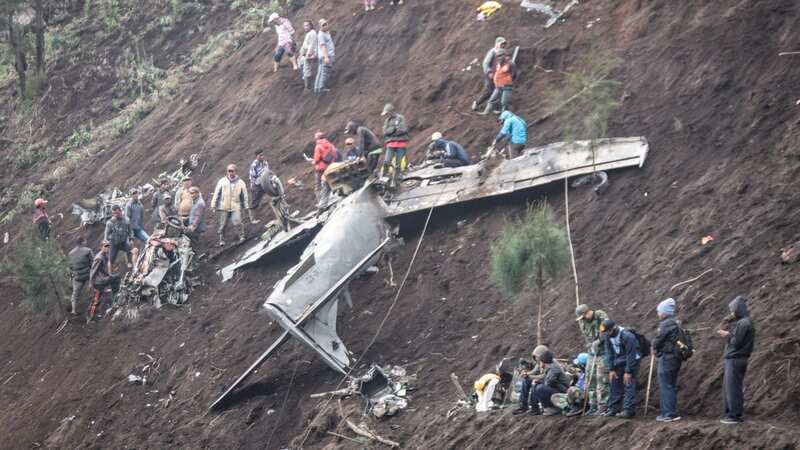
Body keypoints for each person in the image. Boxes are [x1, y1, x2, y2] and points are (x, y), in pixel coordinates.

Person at [717, 295, 755, 424]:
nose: (732, 313)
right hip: (736, 359)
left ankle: (735, 415)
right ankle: (730, 413)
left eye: (733, 310)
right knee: (730, 387)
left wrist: (727, 335)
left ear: (738, 309)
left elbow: (736, 341)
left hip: (736, 359)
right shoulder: (744, 322)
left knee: (733, 388)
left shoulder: (744, 323)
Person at [602, 319, 641, 418]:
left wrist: (628, 371)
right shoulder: (608, 336)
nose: (607, 334)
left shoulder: (627, 336)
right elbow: (609, 353)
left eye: (608, 331)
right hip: (619, 361)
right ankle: (614, 408)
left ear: (613, 328)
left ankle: (628, 410)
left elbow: (631, 355)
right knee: (615, 383)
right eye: (605, 332)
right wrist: (611, 369)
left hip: (632, 361)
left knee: (628, 383)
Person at [575, 304, 610, 415]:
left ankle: (603, 406)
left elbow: (605, 331)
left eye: (584, 316)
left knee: (602, 379)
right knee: (590, 377)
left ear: (588, 312)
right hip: (592, 352)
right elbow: (587, 337)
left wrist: (599, 341)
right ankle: (593, 405)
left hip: (603, 352)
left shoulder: (600, 315)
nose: (583, 319)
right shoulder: (582, 322)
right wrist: (591, 346)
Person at [652, 298, 683, 422]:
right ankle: (668, 412)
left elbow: (658, 340)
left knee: (666, 385)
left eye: (659, 311)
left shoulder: (666, 324)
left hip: (668, 358)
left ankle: (670, 414)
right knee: (670, 385)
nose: (658, 314)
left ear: (665, 312)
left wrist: (654, 344)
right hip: (675, 358)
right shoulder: (675, 322)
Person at [211, 164, 250, 246]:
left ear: (235, 171)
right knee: (223, 224)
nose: (230, 172)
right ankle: (222, 239)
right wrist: (213, 205)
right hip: (224, 206)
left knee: (238, 222)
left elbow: (244, 195)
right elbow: (216, 193)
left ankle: (242, 236)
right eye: (229, 171)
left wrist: (246, 206)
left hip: (235, 206)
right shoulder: (222, 181)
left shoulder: (241, 182)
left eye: (232, 171)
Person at [529, 350, 571, 416]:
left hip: (563, 391)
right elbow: (546, 378)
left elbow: (548, 383)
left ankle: (552, 408)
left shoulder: (554, 368)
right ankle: (535, 409)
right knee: (535, 386)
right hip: (557, 388)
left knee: (540, 388)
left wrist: (539, 380)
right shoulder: (550, 366)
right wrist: (537, 380)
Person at [471, 36, 507, 111]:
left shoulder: (503, 53)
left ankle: (495, 108)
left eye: (504, 44)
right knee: (489, 91)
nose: (503, 45)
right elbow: (485, 63)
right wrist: (489, 72)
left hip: (498, 76)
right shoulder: (492, 52)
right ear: (497, 44)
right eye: (502, 44)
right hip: (490, 75)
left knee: (498, 91)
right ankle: (477, 103)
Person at [88, 240, 121, 319]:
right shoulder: (99, 258)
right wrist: (91, 283)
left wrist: (109, 275)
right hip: (98, 282)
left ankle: (115, 297)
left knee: (116, 278)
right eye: (105, 246)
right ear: (101, 247)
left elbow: (102, 269)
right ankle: (91, 316)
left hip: (102, 279)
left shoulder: (105, 255)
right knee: (96, 299)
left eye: (108, 246)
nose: (107, 248)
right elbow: (93, 270)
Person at [513, 344, 549, 415]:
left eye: (537, 357)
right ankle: (523, 406)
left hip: (548, 382)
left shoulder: (548, 363)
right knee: (526, 380)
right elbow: (535, 371)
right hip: (543, 380)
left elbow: (545, 376)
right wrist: (527, 374)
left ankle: (535, 408)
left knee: (534, 383)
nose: (536, 360)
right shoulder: (540, 362)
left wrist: (531, 377)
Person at [380, 103, 410, 188]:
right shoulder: (387, 121)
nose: (386, 115)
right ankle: (384, 177)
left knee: (398, 164)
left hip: (401, 143)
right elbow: (385, 132)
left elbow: (403, 129)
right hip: (390, 144)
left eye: (387, 113)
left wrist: (391, 131)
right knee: (386, 161)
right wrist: (394, 129)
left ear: (391, 111)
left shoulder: (400, 118)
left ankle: (395, 181)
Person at [255, 168, 292, 232]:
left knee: (284, 212)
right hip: (273, 199)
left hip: (279, 196)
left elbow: (280, 188)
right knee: (279, 215)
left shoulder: (273, 179)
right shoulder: (262, 182)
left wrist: (281, 195)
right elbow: (262, 191)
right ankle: (284, 227)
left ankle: (288, 224)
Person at [482, 49, 516, 115]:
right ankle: (485, 112)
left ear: (504, 55)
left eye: (500, 56)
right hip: (498, 86)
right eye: (497, 56)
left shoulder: (511, 63)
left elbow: (514, 74)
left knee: (504, 102)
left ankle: (504, 117)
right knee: (492, 100)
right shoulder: (498, 64)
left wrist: (507, 81)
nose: (498, 58)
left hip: (507, 86)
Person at [68, 236, 93, 315]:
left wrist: (71, 277)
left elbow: (70, 267)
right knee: (97, 286)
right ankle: (99, 301)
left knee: (75, 294)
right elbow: (93, 263)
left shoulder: (70, 253)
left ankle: (73, 310)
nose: (86, 242)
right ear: (82, 242)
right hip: (88, 273)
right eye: (85, 241)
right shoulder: (88, 251)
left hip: (77, 276)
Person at [312, 132, 337, 208]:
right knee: (330, 183)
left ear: (317, 138)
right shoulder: (330, 145)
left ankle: (321, 203)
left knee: (318, 186)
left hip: (320, 169)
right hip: (329, 167)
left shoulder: (318, 147)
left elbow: (316, 159)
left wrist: (313, 162)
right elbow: (335, 155)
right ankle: (334, 198)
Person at [104, 205, 133, 269]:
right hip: (114, 243)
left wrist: (131, 239)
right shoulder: (110, 223)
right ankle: (110, 274)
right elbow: (106, 234)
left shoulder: (126, 220)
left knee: (129, 249)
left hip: (123, 242)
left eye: (117, 213)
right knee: (111, 259)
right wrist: (108, 242)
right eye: (114, 213)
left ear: (120, 211)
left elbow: (130, 230)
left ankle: (129, 262)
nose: (115, 215)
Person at [247, 149, 268, 224]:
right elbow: (252, 177)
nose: (262, 157)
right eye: (260, 155)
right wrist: (257, 184)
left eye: (263, 155)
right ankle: (252, 219)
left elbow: (267, 171)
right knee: (254, 203)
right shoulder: (254, 165)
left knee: (273, 192)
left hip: (265, 182)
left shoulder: (265, 162)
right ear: (257, 157)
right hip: (256, 186)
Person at [315, 19, 335, 93]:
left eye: (326, 24)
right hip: (326, 56)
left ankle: (317, 88)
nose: (325, 26)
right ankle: (321, 88)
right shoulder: (321, 35)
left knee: (320, 72)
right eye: (323, 25)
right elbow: (323, 46)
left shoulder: (326, 33)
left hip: (324, 56)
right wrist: (326, 57)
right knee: (325, 72)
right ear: (320, 26)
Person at [299, 20, 318, 90]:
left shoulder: (313, 33)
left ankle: (308, 87)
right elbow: (304, 46)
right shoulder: (308, 34)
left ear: (311, 26)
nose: (305, 27)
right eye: (304, 26)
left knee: (306, 67)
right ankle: (305, 81)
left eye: (307, 25)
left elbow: (312, 45)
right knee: (301, 63)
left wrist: (308, 55)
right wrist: (301, 54)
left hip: (312, 53)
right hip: (307, 53)